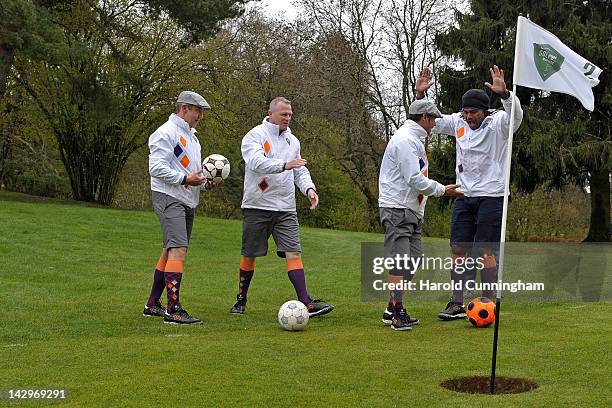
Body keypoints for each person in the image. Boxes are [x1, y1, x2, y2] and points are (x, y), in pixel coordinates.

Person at [414, 66, 523, 320]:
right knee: (458, 250)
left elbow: (516, 117)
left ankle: (487, 301)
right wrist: (420, 96)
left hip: (492, 196)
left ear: (484, 111)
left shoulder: (499, 122)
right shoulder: (458, 122)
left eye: (473, 112)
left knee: (486, 250)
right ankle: (456, 303)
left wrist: (505, 94)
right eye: (465, 112)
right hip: (463, 196)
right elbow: (429, 119)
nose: (468, 117)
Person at [229, 97, 333, 317]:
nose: (288, 118)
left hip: (286, 208)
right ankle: (241, 300)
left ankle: (306, 302)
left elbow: (299, 170)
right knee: (250, 255)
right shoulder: (254, 136)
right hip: (257, 205)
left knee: (293, 252)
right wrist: (284, 165)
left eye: (290, 115)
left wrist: (309, 190)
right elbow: (256, 162)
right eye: (284, 114)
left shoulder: (292, 141)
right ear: (270, 113)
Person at [379, 99, 463, 331]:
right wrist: (442, 190)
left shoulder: (414, 139)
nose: (436, 123)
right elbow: (413, 178)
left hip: (412, 210)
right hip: (397, 208)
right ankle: (397, 313)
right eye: (434, 118)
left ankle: (391, 308)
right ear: (424, 118)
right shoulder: (406, 140)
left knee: (413, 260)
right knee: (399, 262)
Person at [143, 91, 220, 325]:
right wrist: (185, 179)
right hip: (168, 196)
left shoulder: (193, 138)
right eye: (198, 111)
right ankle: (173, 310)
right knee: (179, 250)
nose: (201, 117)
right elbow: (156, 168)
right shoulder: (165, 133)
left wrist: (206, 185)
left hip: (185, 198)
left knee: (170, 250)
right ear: (184, 109)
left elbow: (193, 175)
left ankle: (152, 304)